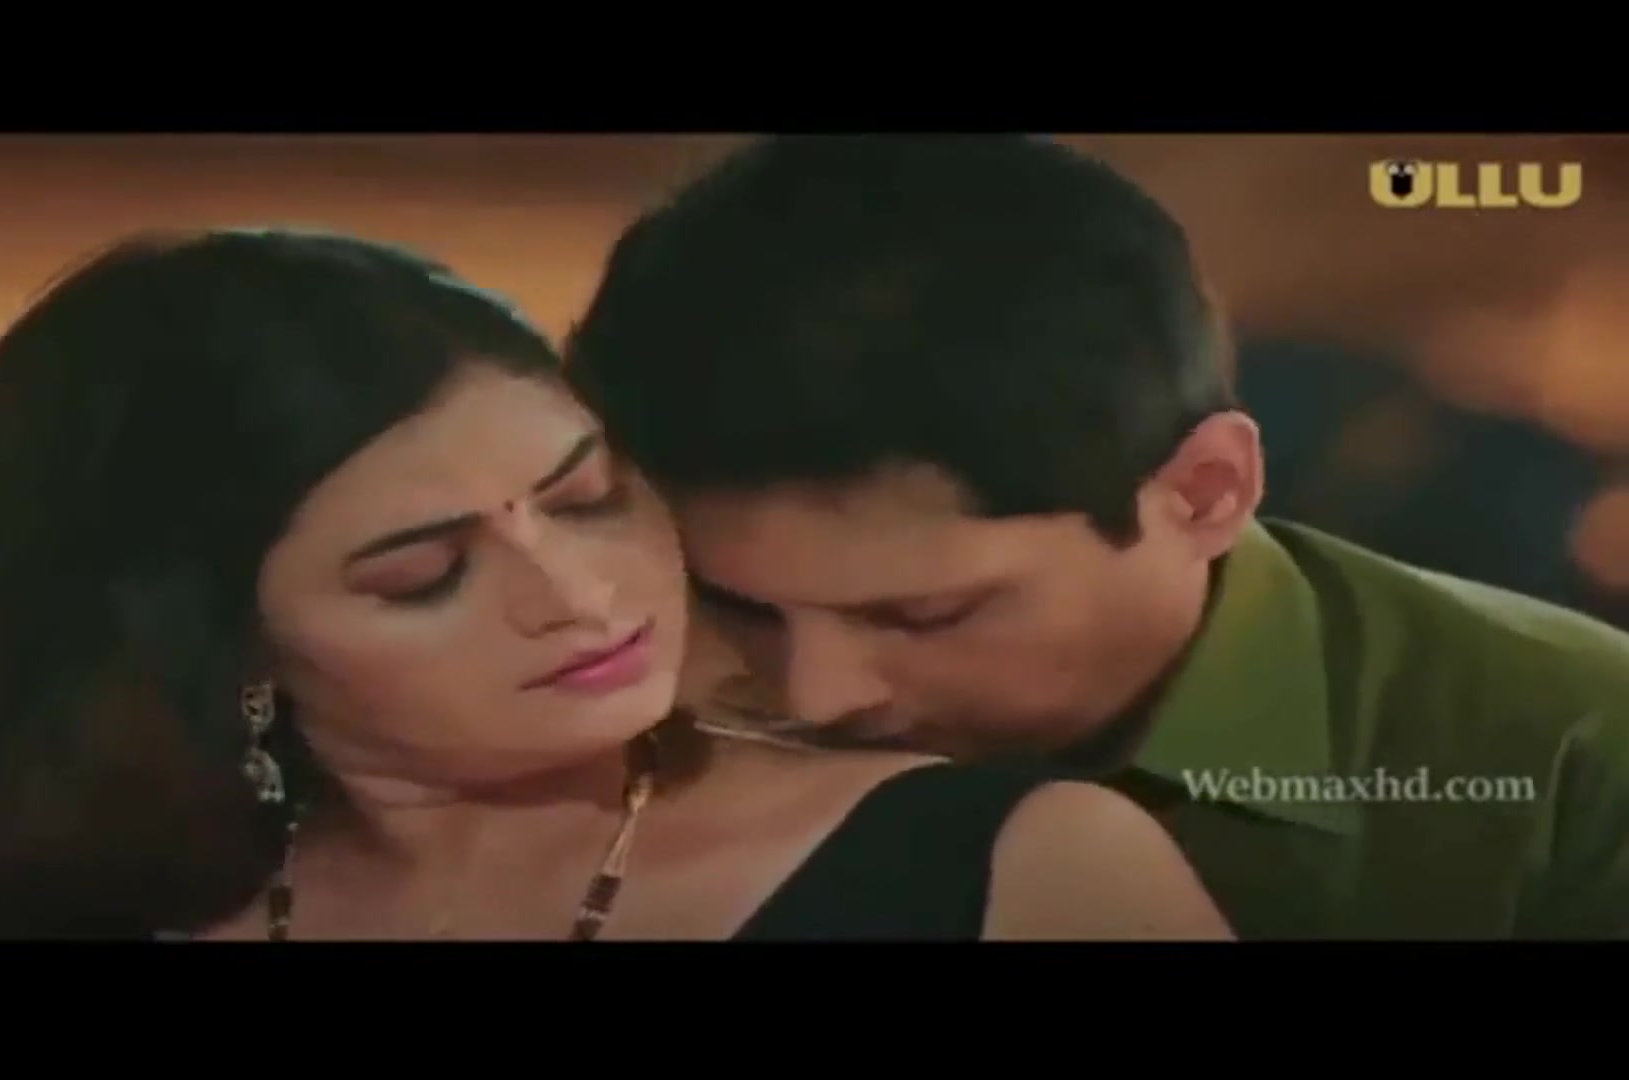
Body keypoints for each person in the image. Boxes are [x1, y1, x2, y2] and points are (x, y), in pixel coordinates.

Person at [0, 226, 1231, 941]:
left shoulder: (1014, 867)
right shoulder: (72, 908)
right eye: (425, 574)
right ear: (224, 648)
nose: (578, 590)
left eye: (588, 496)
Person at [564, 134, 1629, 939]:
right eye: (736, 604)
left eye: (926, 614)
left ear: (1206, 492)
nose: (816, 696)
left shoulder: (1572, 748)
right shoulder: (588, 734)